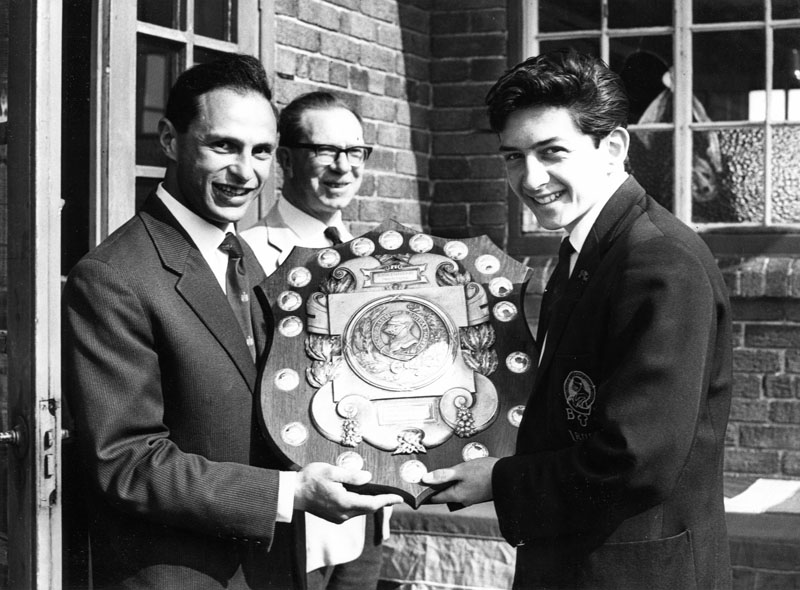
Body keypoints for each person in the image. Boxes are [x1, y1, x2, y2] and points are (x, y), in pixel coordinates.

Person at [62, 55, 401, 590]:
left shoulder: (244, 257)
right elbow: (125, 462)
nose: (245, 172)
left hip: (269, 569)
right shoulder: (112, 276)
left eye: (261, 152)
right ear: (170, 140)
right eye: (223, 146)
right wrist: (289, 495)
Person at [421, 49, 733, 590]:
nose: (531, 178)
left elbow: (635, 458)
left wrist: (499, 479)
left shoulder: (659, 262)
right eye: (514, 157)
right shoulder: (590, 248)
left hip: (633, 571)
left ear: (612, 146)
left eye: (552, 152)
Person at [241, 91, 388, 590]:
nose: (343, 167)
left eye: (356, 153)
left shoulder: (371, 257)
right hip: (292, 511)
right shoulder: (249, 256)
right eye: (325, 151)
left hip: (366, 507)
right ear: (285, 159)